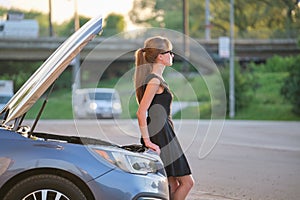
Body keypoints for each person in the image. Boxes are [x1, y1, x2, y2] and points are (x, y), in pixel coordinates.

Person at [134, 36, 194, 200]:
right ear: (160, 56)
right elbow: (141, 112)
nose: (172, 56)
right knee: (187, 182)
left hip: (166, 133)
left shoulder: (157, 79)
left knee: (172, 185)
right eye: (170, 52)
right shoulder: (154, 80)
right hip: (161, 135)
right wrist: (147, 142)